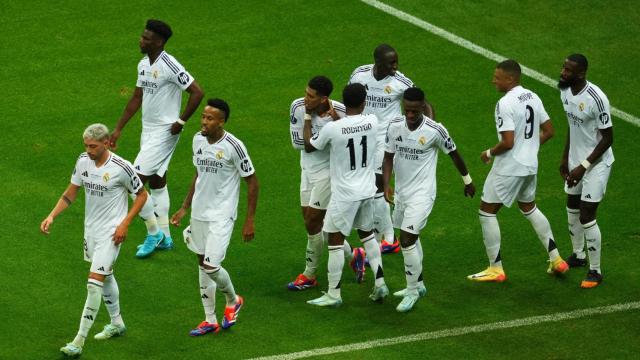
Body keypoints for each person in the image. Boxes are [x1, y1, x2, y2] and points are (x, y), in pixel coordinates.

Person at [40, 124, 148, 357]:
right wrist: (51, 215)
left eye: (93, 146)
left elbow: (142, 195)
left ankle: (79, 341)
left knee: (93, 282)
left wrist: (125, 223)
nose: (88, 150)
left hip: (112, 234)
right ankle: (117, 323)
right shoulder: (82, 161)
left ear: (107, 143)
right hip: (91, 231)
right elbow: (71, 192)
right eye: (86, 145)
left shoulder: (122, 168)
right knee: (106, 276)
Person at [468, 59, 569, 283]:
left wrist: (488, 153)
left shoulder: (504, 103)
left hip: (509, 167)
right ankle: (556, 258)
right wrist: (530, 147)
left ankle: (495, 268)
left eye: (497, 77)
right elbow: (549, 131)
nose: (493, 80)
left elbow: (508, 142)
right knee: (529, 207)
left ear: (510, 78)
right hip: (530, 165)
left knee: (487, 211)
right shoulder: (533, 96)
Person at [110, 19, 204, 258]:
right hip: (148, 130)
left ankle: (153, 232)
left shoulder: (170, 65)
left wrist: (180, 121)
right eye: (142, 36)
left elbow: (197, 92)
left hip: (165, 132)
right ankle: (166, 237)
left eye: (146, 38)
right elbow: (137, 97)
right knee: (157, 182)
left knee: (134, 182)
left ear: (159, 42)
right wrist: (119, 128)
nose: (141, 41)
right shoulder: (143, 64)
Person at [170, 99, 259, 335]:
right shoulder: (197, 140)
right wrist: (185, 206)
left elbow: (252, 181)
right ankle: (209, 319)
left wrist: (249, 219)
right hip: (199, 212)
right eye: (203, 117)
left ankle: (232, 300)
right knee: (202, 263)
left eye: (210, 118)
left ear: (221, 121)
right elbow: (198, 174)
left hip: (222, 213)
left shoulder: (234, 146)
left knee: (211, 265)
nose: (204, 122)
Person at [383, 87, 475, 312]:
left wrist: (468, 181)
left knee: (406, 239)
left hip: (423, 194)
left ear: (423, 107)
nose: (411, 115)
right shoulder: (395, 126)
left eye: (415, 111)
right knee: (410, 238)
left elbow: (454, 154)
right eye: (408, 111)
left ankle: (412, 290)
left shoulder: (436, 130)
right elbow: (387, 157)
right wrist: (385, 184)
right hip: (402, 193)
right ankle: (419, 284)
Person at [305, 83, 388, 307]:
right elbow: (353, 130)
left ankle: (334, 294)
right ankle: (380, 283)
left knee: (334, 241)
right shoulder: (372, 121)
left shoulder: (333, 129)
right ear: (363, 102)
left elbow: (309, 145)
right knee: (368, 236)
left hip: (344, 194)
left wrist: (306, 117)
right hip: (367, 190)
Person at [349, 44, 434, 254]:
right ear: (378, 62)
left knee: (377, 185)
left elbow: (424, 104)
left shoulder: (400, 81)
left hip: (386, 138)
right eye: (391, 62)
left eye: (396, 61)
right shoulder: (360, 74)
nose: (396, 66)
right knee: (368, 186)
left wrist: (427, 130)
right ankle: (381, 235)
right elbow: (349, 99)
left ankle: (388, 238)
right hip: (362, 135)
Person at [287, 76, 365, 290]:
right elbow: (297, 144)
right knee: (313, 224)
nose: (305, 99)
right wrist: (312, 123)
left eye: (311, 96)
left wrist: (334, 126)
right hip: (307, 170)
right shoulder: (297, 107)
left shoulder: (340, 111)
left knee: (313, 221)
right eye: (305, 93)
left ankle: (309, 274)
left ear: (324, 98)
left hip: (329, 174)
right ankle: (354, 254)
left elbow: (356, 135)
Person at [558, 54, 614, 288]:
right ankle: (578, 255)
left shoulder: (596, 99)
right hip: (576, 163)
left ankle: (595, 270)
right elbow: (573, 126)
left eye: (568, 70)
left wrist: (584, 166)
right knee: (572, 207)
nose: (562, 72)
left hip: (597, 164)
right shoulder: (564, 91)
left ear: (581, 74)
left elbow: (608, 138)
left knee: (586, 215)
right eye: (563, 67)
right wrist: (565, 158)